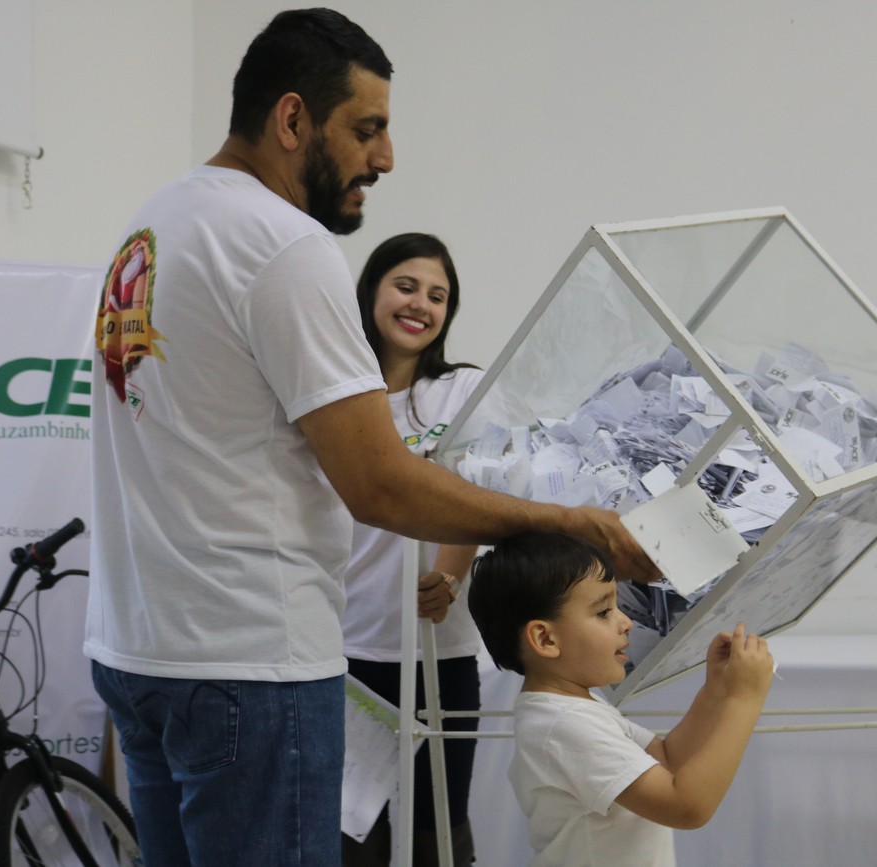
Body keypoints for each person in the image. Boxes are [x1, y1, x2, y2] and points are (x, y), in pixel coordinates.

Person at [85, 9, 657, 867]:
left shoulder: (154, 223)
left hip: (140, 650)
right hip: (249, 665)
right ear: (291, 118)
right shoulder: (283, 243)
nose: (384, 158)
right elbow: (379, 482)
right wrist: (568, 522)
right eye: (366, 129)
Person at [467, 533, 773, 867]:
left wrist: (716, 690)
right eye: (603, 612)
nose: (626, 622)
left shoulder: (574, 709)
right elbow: (687, 808)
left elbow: (667, 760)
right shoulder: (564, 725)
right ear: (545, 639)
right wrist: (744, 699)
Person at [340, 232, 484, 866]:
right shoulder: (336, 395)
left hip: (437, 654)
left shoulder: (463, 390)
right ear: (372, 289)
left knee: (439, 834)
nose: (420, 304)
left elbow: (475, 495)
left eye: (438, 296)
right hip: (343, 651)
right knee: (351, 837)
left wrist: (448, 579)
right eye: (406, 286)